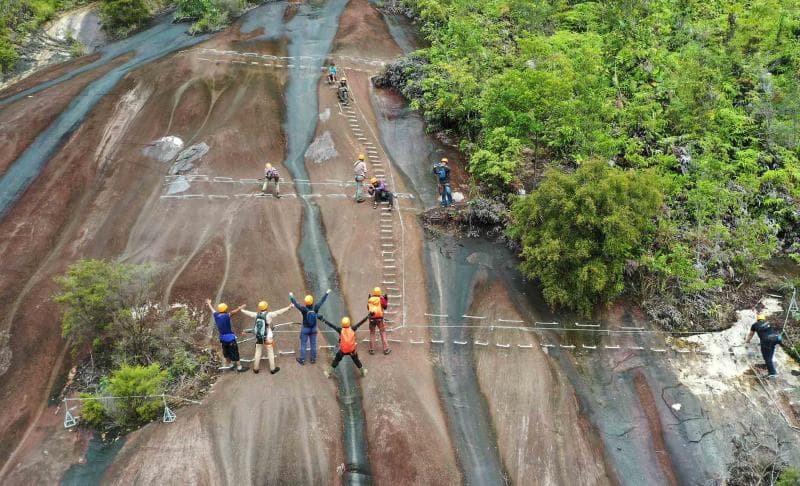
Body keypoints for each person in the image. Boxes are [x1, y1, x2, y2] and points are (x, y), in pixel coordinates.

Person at [241, 300, 292, 374]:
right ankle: (272, 369)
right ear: (266, 307)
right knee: (270, 352)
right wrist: (288, 307)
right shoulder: (269, 315)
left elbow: (249, 313)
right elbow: (279, 312)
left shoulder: (256, 314)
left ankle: (255, 369)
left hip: (259, 335)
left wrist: (241, 310)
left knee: (258, 352)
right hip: (268, 336)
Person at [205, 299, 248, 372]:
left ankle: (231, 365)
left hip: (222, 338)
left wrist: (209, 303)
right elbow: (233, 312)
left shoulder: (216, 316)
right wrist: (240, 308)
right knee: (235, 352)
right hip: (230, 338)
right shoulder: (226, 316)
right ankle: (239, 367)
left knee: (226, 352)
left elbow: (212, 310)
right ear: (225, 309)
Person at [289, 289, 331, 365]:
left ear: (305, 302)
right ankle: (313, 359)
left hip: (305, 328)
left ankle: (302, 360)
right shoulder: (316, 307)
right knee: (313, 344)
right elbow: (322, 301)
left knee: (303, 344)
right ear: (312, 301)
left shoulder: (303, 309)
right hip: (314, 328)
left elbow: (296, 304)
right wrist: (326, 293)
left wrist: (291, 296)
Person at [746, 313, 783, 377]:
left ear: (757, 319)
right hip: (776, 339)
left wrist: (748, 341)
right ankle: (772, 366)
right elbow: (770, 332)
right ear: (764, 318)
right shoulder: (768, 323)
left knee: (767, 358)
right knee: (770, 352)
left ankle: (772, 373)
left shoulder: (754, 325)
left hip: (767, 341)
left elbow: (751, 334)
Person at [367, 287, 391, 355]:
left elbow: (368, 308)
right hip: (379, 319)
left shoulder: (370, 299)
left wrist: (369, 299)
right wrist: (386, 299)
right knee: (383, 332)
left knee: (372, 333)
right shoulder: (381, 299)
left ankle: (371, 349)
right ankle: (386, 349)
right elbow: (385, 307)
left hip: (371, 318)